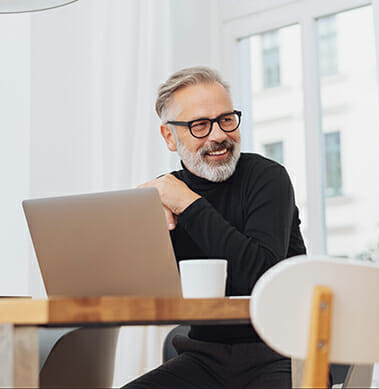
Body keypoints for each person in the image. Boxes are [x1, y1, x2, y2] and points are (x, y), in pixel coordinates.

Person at [124, 66, 307, 389]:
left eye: (226, 119)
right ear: (169, 136)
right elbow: (144, 288)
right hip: (202, 358)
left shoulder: (267, 178)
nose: (219, 135)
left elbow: (260, 276)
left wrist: (189, 205)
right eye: (199, 126)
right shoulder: (164, 196)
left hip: (279, 354)